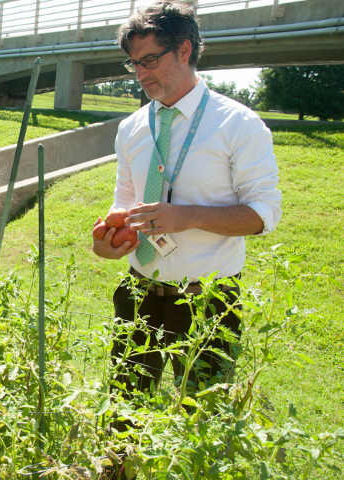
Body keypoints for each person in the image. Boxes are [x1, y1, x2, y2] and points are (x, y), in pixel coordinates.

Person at [92, 0, 282, 413]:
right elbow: (124, 201)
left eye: (149, 60)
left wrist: (187, 216)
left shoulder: (239, 125)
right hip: (138, 292)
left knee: (201, 423)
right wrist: (111, 238)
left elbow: (263, 214)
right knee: (123, 411)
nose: (140, 74)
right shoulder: (132, 128)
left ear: (183, 50)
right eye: (133, 64)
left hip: (208, 304)